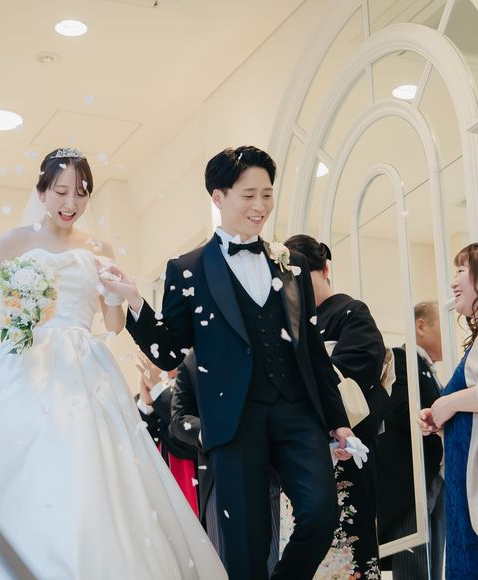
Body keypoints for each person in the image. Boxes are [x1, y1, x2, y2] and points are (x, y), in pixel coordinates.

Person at [0, 148, 226, 580]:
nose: (71, 203)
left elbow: (113, 324)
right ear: (41, 192)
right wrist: (22, 312)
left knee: (91, 465)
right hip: (25, 363)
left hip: (84, 366)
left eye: (81, 193)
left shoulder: (99, 249)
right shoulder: (13, 242)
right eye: (61, 191)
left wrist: (116, 296)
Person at [103, 145, 355, 580]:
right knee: (246, 546)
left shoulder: (292, 264)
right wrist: (136, 303)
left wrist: (338, 421)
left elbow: (312, 350)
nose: (260, 206)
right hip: (234, 422)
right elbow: (169, 351)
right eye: (248, 195)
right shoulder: (188, 269)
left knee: (321, 513)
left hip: (297, 412)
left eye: (267, 195)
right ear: (218, 197)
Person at [285, 234, 388, 578]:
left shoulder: (351, 312)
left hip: (346, 445)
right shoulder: (292, 324)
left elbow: (360, 369)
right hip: (306, 450)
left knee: (351, 544)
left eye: (304, 275)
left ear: (325, 270)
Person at [170, 349, 282, 577]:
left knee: (273, 560)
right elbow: (178, 418)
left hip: (268, 469)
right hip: (218, 476)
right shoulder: (192, 359)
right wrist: (213, 433)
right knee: (227, 564)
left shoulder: (256, 348)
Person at [418, 241, 478, 579]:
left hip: (476, 478)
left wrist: (447, 404)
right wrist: (440, 418)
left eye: (462, 270)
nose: (453, 281)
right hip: (462, 477)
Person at [377, 301, 445, 580]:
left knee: (432, 565)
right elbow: (401, 412)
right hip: (409, 483)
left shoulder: (428, 371)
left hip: (434, 478)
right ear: (421, 325)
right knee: (414, 566)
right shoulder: (401, 360)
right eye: (442, 323)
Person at [135, 353, 200, 516]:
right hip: (159, 492)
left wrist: (160, 392)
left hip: (193, 486)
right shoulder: (143, 397)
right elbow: (136, 449)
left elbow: (187, 439)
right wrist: (147, 405)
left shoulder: (196, 383)